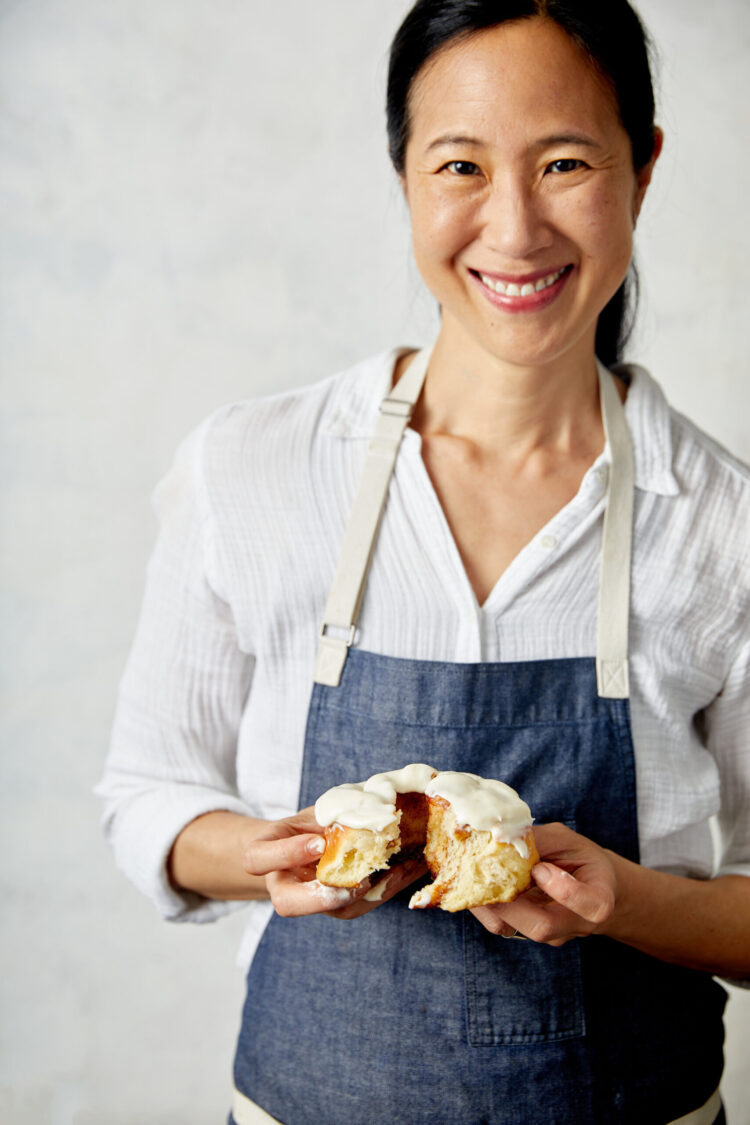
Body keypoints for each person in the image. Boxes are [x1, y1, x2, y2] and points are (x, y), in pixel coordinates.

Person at [97, 1, 750, 1122]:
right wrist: (273, 854)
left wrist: (622, 904)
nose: (514, 227)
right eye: (460, 163)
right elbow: (147, 799)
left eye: (563, 163)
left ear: (641, 169)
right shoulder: (252, 470)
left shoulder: (721, 527)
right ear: (404, 171)